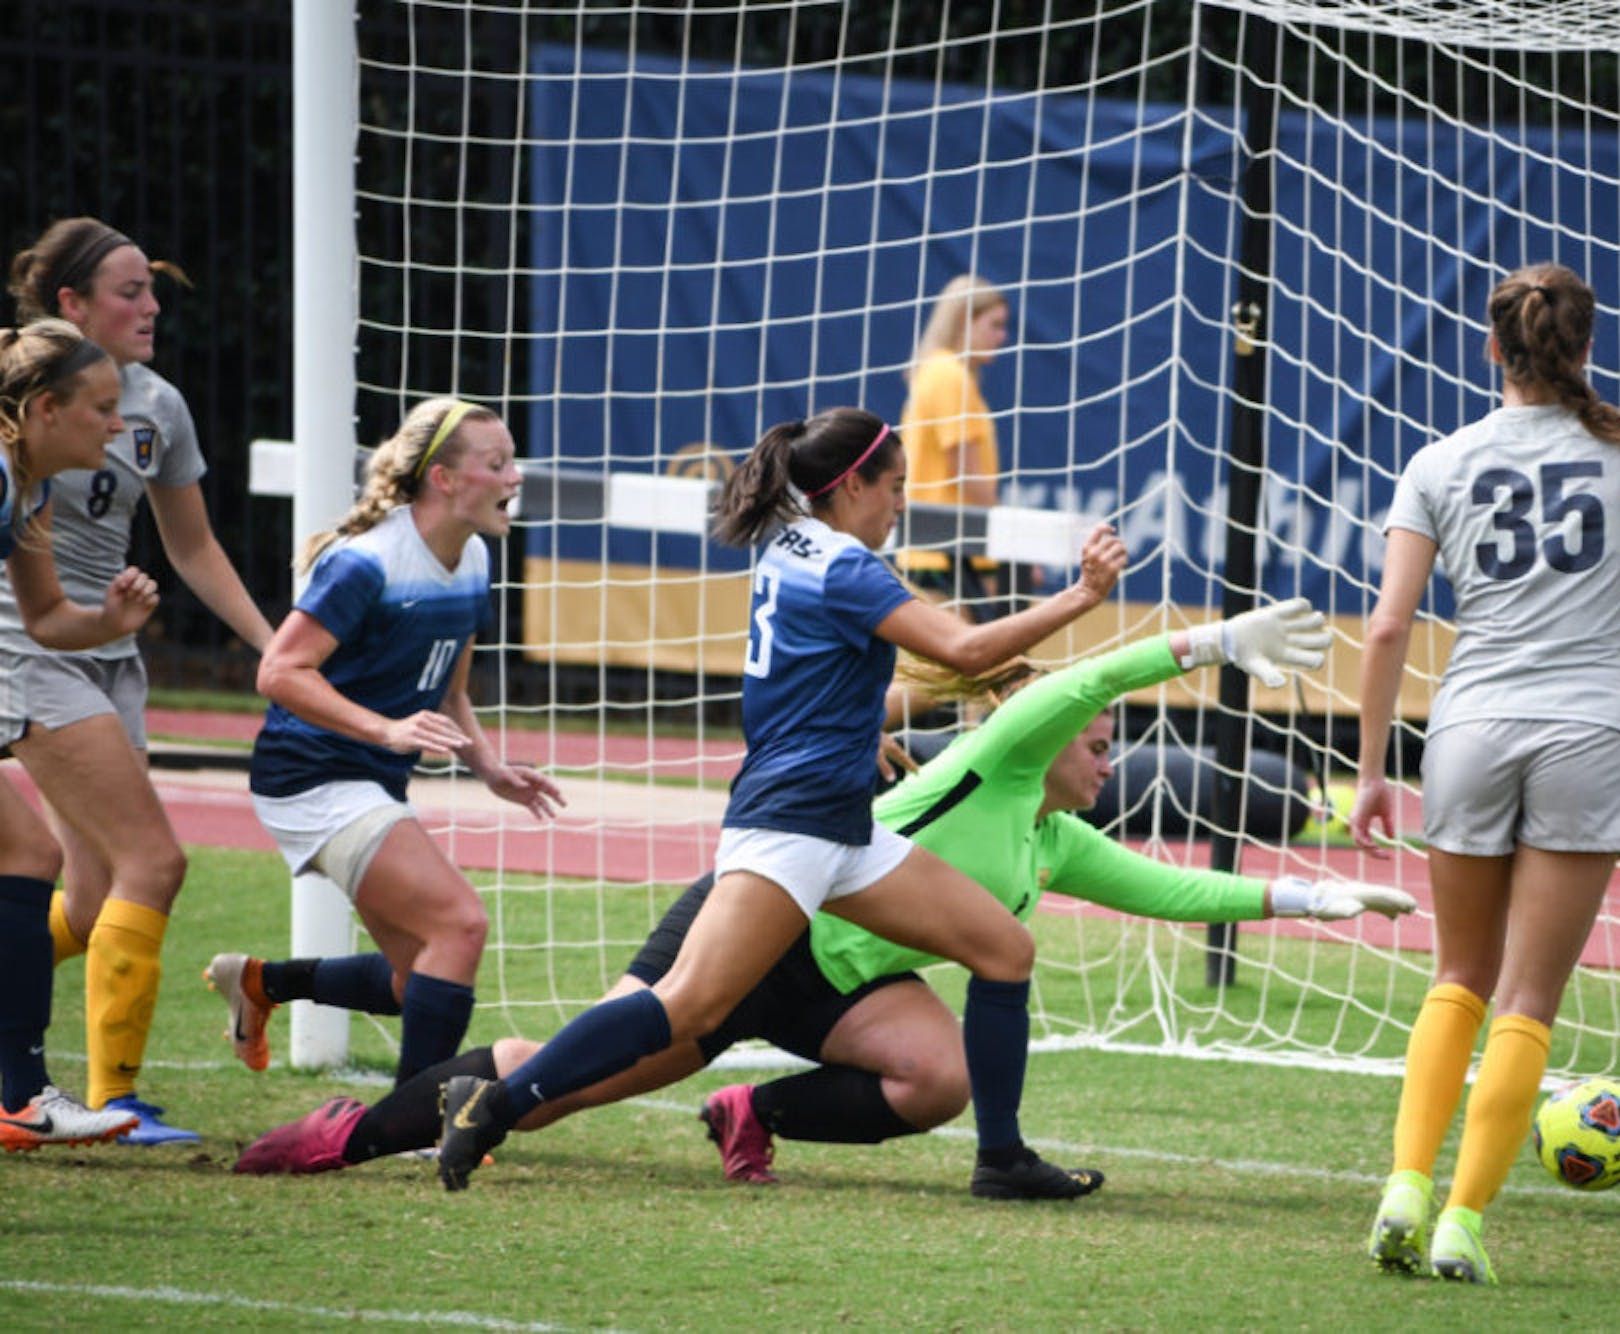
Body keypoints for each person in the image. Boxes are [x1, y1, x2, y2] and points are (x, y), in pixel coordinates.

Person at [234, 606, 1417, 1186]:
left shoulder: (1053, 837)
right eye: (1099, 744)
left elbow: (1175, 892)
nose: (1108, 758)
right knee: (555, 1089)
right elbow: (1086, 676)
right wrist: (1204, 643)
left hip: (835, 987)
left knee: (936, 1073)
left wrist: (1318, 899)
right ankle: (358, 1130)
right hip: (752, 909)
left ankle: (759, 1113)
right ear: (1049, 734)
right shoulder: (998, 748)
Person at [430, 405, 1127, 1197]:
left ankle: (1000, 1160)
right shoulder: (845, 565)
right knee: (687, 1005)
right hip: (795, 822)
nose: (901, 504)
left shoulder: (792, 544)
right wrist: (1083, 595)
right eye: (894, 487)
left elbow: (822, 677)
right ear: (851, 483)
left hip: (837, 823)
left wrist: (859, 727)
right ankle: (494, 1102)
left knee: (1005, 950)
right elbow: (962, 650)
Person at [1348, 262, 1620, 1284]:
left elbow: (1386, 624)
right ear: (1584, 346)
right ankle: (1462, 1218)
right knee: (1526, 994)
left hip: (1467, 725)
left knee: (1454, 975)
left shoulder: (1438, 458)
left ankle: (1402, 1186)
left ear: (1488, 346)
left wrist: (1372, 766)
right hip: (1588, 728)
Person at [2, 218, 276, 1144]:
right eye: (131, 290)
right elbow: (33, 607)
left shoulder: (152, 408)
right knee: (152, 861)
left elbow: (191, 546)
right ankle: (108, 1099)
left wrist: (270, 647)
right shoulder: (24, 414)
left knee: (83, 899)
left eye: (153, 288)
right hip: (31, 660)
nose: (153, 305)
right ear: (69, 305)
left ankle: (37, 1082)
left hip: (100, 649)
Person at [200, 398, 564, 1090]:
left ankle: (259, 983)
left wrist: (489, 766)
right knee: (460, 925)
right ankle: (419, 1118)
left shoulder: (475, 556)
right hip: (310, 774)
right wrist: (385, 729)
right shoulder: (367, 564)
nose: (516, 477)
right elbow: (278, 671)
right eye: (498, 464)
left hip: (367, 778)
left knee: (417, 976)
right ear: (445, 480)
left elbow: (449, 689)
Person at [0, 320, 164, 1151]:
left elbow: (46, 618)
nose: (116, 424)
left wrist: (109, 619)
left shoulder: (22, 486)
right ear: (43, 408)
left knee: (29, 856)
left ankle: (22, 1097)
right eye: (101, 408)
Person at [897, 273, 1026, 620]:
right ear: (961, 321)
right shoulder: (948, 376)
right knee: (967, 663)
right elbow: (968, 477)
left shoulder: (939, 373)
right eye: (994, 325)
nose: (1002, 337)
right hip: (947, 553)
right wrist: (1015, 543)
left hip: (940, 547)